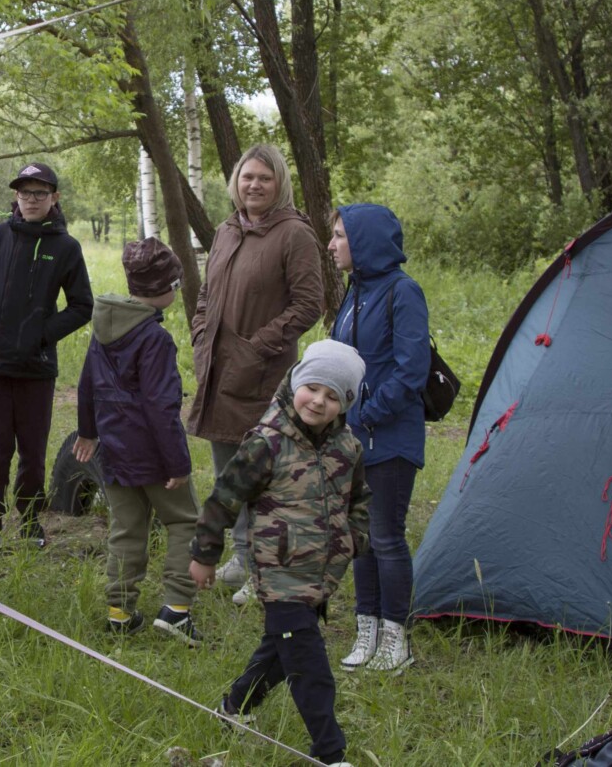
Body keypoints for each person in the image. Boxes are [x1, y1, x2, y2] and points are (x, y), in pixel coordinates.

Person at [189, 339, 369, 767]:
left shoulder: (348, 447)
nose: (318, 401)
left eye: (332, 396)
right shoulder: (266, 443)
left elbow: (360, 498)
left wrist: (354, 538)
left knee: (279, 649)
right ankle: (330, 753)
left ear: (345, 405)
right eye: (313, 388)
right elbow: (224, 499)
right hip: (279, 572)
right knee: (309, 666)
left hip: (322, 572)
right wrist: (205, 555)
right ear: (294, 384)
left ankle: (233, 707)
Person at [187, 144, 324, 606]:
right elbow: (206, 293)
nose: (255, 185)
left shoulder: (294, 234)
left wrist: (258, 346)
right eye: (248, 177)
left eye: (265, 178)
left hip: (263, 375)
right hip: (219, 372)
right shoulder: (227, 230)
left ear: (279, 183)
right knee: (229, 471)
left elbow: (309, 304)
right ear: (236, 182)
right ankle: (242, 556)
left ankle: (266, 567)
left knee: (264, 475)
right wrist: (201, 334)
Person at [73, 238, 200, 645]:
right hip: (153, 454)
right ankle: (177, 610)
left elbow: (86, 385)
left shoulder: (103, 327)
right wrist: (177, 463)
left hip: (113, 450)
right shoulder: (155, 338)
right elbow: (162, 408)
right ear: (164, 288)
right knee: (184, 521)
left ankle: (120, 612)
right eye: (176, 284)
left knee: (126, 528)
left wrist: (88, 431)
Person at [0, 161, 93, 551]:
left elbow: (82, 305)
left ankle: (31, 520)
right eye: (25, 192)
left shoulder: (65, 247)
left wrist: (42, 335)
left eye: (40, 193)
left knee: (32, 452)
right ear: (16, 197)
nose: (31, 200)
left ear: (54, 197)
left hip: (36, 369)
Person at [328, 203, 429, 674]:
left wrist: (366, 414)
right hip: (351, 436)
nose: (331, 245)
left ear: (364, 241)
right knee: (360, 537)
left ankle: (396, 638)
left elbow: (411, 371)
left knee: (386, 536)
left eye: (339, 236)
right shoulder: (355, 291)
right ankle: (365, 629)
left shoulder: (403, 292)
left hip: (389, 437)